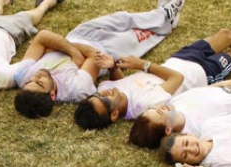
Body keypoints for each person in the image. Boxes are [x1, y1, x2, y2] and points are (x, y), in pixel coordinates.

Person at [74, 12, 231, 130]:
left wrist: (113, 68)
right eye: (103, 100)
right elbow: (177, 78)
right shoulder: (146, 106)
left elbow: (118, 84)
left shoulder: (107, 87)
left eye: (97, 94)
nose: (104, 93)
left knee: (226, 34)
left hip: (178, 58)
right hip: (201, 74)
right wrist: (142, 65)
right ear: (113, 115)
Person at [14, 0, 184, 118]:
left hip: (79, 34)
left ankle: (164, 14)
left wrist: (75, 54)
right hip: (109, 48)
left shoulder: (23, 76)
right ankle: (166, 17)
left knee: (123, 18)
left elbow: (42, 35)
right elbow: (94, 55)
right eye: (41, 82)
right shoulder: (77, 89)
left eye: (33, 80)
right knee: (145, 36)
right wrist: (59, 46)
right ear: (52, 95)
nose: (38, 75)